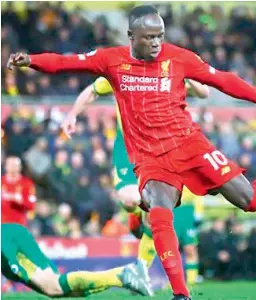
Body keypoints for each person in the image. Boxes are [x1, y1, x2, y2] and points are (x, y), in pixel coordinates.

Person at [7, 5, 256, 299]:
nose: (156, 43)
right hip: (150, 158)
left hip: (190, 145)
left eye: (159, 36)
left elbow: (224, 80)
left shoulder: (178, 58)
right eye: (149, 37)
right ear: (131, 36)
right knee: (158, 209)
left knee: (254, 201)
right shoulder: (111, 60)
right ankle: (181, 294)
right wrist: (31, 59)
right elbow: (66, 62)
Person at [61, 75, 207, 286]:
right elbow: (91, 91)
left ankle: (141, 272)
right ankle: (135, 217)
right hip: (128, 148)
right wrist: (72, 115)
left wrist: (187, 73)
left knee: (153, 210)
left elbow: (204, 92)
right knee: (130, 200)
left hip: (158, 148)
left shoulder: (168, 70)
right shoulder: (120, 70)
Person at [1, 223, 153, 297]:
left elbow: (8, 255)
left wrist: (19, 271)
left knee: (53, 286)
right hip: (11, 238)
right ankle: (123, 276)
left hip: (10, 242)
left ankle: (124, 274)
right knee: (68, 293)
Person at [1, 156, 36, 226]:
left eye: (15, 165)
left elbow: (32, 205)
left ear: (20, 167)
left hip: (19, 225)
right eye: (11, 165)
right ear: (5, 166)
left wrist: (19, 200)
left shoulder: (27, 183)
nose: (13, 167)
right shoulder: (1, 181)